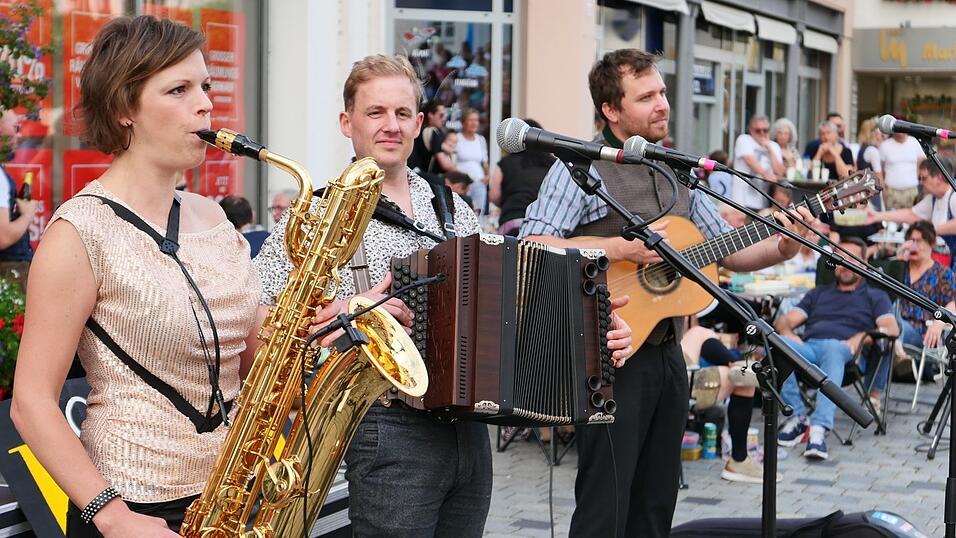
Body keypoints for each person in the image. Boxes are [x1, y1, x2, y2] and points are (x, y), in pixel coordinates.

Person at [253, 53, 635, 537]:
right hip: (384, 426)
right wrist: (349, 313)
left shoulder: (450, 204)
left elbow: (513, 305)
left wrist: (594, 331)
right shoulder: (313, 216)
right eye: (376, 113)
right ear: (346, 123)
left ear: (418, 123)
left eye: (402, 113)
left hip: (470, 430)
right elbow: (266, 331)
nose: (391, 126)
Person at [519, 48, 816, 538]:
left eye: (662, 92)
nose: (663, 104)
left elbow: (725, 249)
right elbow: (533, 245)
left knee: (656, 505)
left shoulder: (674, 171)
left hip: (666, 354)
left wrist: (782, 247)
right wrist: (616, 246)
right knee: (604, 507)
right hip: (607, 356)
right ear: (611, 110)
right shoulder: (579, 169)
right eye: (647, 96)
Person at [10, 16, 262, 536]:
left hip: (236, 493)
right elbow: (31, 402)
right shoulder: (79, 232)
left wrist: (322, 322)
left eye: (206, 86)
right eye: (179, 89)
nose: (206, 105)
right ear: (125, 108)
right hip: (136, 509)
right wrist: (114, 516)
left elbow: (252, 349)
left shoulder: (214, 218)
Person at [775, 237, 899, 460]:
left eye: (850, 259)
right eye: (839, 259)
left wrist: (860, 337)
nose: (844, 264)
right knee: (779, 345)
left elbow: (891, 328)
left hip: (846, 354)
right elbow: (784, 323)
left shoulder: (875, 296)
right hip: (810, 350)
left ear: (863, 263)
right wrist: (791, 336)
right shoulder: (819, 293)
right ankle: (797, 417)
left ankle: (819, 430)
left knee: (833, 348)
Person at [680, 326, 771, 484]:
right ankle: (739, 460)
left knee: (699, 331)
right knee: (744, 380)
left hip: (658, 357)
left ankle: (738, 365)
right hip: (663, 377)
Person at [867, 158, 956, 258]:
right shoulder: (934, 198)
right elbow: (912, 214)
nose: (921, 183)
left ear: (939, 177)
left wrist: (931, 231)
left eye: (924, 178)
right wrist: (877, 216)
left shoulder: (953, 196)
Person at [895, 221, 956, 356]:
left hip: (921, 331)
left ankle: (896, 347)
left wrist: (939, 322)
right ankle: (896, 348)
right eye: (911, 240)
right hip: (895, 321)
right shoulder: (901, 267)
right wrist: (899, 259)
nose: (914, 245)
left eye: (919, 241)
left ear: (931, 243)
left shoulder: (942, 273)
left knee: (894, 329)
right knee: (891, 314)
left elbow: (952, 303)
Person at [489, 118, 555, 236]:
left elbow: (494, 196)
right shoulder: (553, 165)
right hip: (543, 225)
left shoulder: (506, 163)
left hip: (512, 221)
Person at [0, 109, 36, 291]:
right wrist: (28, 215)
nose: (19, 135)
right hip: (8, 271)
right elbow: (3, 237)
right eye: (15, 127)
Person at [732, 114, 785, 211]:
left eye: (765, 130)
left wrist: (769, 149)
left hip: (764, 202)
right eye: (758, 130)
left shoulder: (774, 146)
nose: (762, 133)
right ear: (751, 130)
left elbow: (780, 172)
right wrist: (766, 175)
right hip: (742, 201)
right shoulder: (744, 139)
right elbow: (750, 160)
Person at [879, 127, 925, 210]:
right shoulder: (885, 145)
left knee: (912, 220)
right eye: (898, 128)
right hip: (892, 191)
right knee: (891, 221)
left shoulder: (914, 142)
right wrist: (883, 189)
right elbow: (880, 169)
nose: (901, 131)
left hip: (912, 191)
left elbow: (921, 163)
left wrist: (920, 178)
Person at [455, 108, 490, 215]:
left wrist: (488, 176)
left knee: (478, 214)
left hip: (479, 182)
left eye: (476, 120)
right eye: (470, 120)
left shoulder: (480, 139)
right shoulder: (457, 138)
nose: (474, 123)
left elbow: (485, 162)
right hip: (461, 184)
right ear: (463, 122)